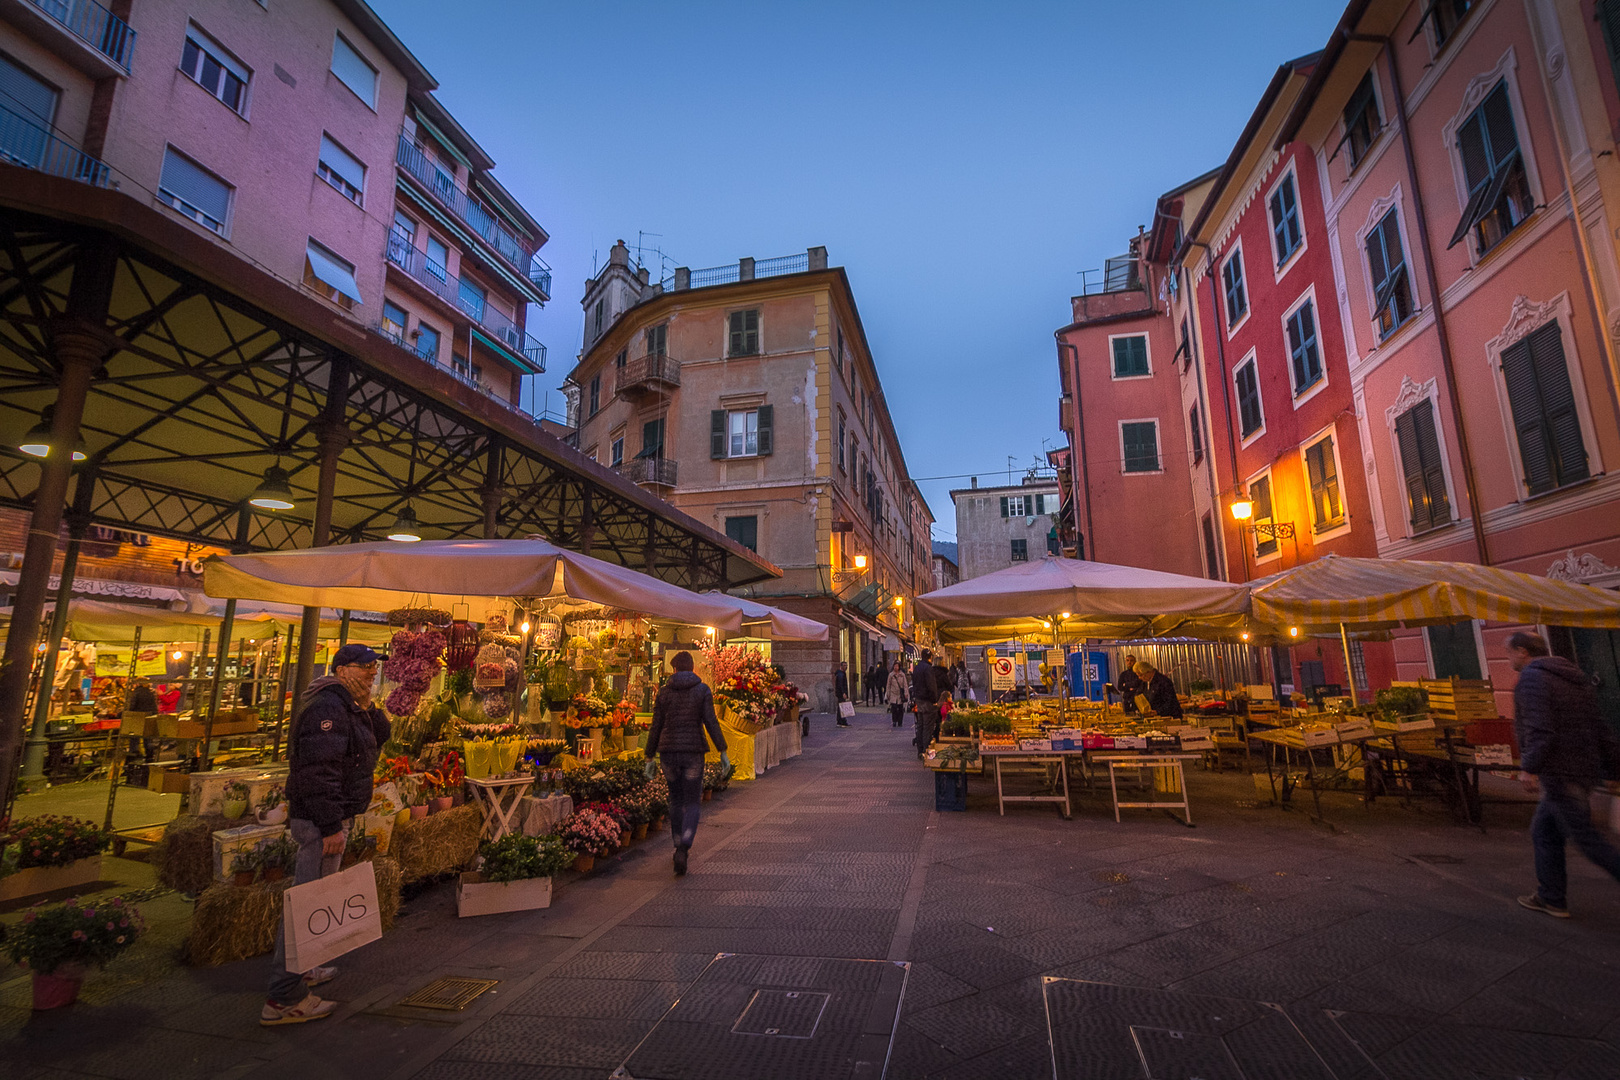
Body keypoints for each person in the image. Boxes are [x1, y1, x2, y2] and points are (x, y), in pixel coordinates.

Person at [263, 644, 388, 1026]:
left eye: (373, 668)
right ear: (342, 669)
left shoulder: (349, 706)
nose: (372, 673)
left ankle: (307, 966)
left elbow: (381, 734)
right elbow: (318, 771)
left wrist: (368, 705)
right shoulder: (326, 708)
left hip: (332, 816)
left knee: (318, 899)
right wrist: (331, 824)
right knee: (307, 901)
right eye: (365, 668)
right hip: (320, 822)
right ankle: (283, 997)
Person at [1508, 632, 1620, 918]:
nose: (1509, 659)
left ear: (1522, 651)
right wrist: (1613, 769)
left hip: (1559, 771)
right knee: (1544, 831)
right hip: (1582, 768)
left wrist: (1529, 767)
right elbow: (1600, 726)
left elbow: (1541, 730)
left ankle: (1552, 897)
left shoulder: (1533, 679)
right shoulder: (1574, 677)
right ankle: (1552, 898)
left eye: (1509, 653)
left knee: (1588, 840)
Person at [644, 651, 729, 878]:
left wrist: (649, 757)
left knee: (675, 798)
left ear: (673, 670)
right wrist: (723, 751)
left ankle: (676, 842)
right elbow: (710, 721)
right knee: (692, 801)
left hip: (668, 753)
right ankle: (684, 846)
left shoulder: (663, 693)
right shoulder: (702, 691)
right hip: (693, 752)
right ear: (692, 668)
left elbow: (656, 726)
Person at [912, 649, 941, 758]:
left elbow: (914, 683)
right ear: (930, 657)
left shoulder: (917, 668)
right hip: (928, 701)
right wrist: (934, 700)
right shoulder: (928, 668)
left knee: (920, 726)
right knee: (927, 727)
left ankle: (920, 750)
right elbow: (931, 686)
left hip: (919, 700)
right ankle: (926, 751)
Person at [126, 676, 157, 762]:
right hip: (149, 717)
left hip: (137, 717)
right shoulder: (151, 693)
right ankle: (150, 755)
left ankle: (134, 754)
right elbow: (154, 706)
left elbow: (132, 706)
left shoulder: (136, 693)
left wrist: (123, 713)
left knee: (134, 737)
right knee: (147, 737)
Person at [887, 662, 909, 727]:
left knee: (900, 708)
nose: (896, 667)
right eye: (895, 666)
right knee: (894, 708)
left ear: (899, 667)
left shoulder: (902, 675)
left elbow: (905, 685)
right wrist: (888, 693)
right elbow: (888, 685)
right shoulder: (891, 675)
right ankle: (894, 721)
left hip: (900, 694)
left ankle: (900, 721)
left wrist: (906, 693)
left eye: (897, 666)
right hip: (893, 693)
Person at [834, 661, 851, 726]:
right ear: (841, 666)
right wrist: (843, 693)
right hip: (841, 693)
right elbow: (841, 685)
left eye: (846, 665)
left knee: (840, 707)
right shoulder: (841, 674)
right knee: (842, 707)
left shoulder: (842, 673)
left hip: (840, 693)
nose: (846, 667)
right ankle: (842, 721)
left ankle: (840, 721)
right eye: (844, 665)